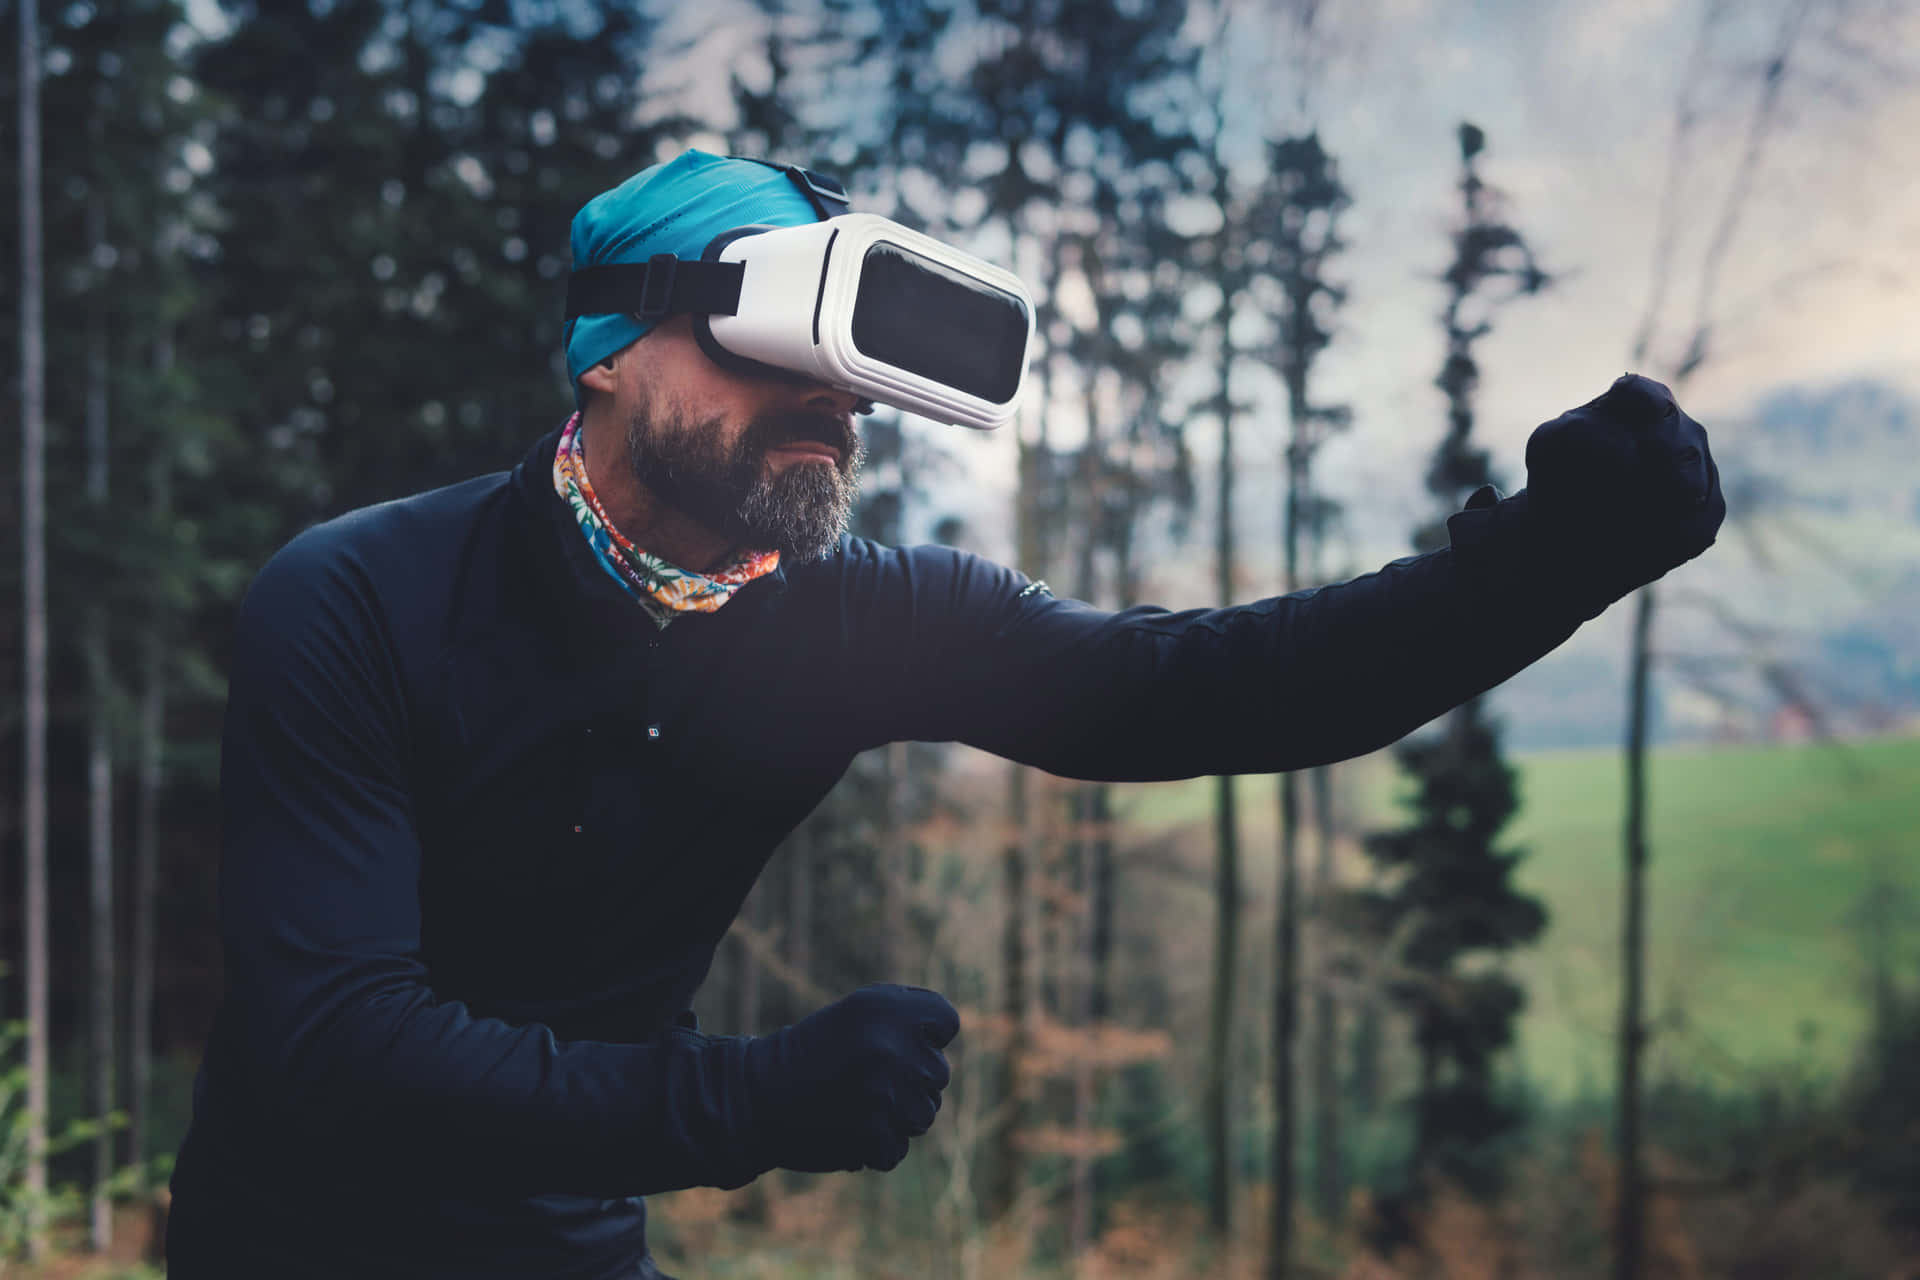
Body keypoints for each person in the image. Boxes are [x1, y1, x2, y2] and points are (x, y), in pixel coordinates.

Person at [165, 150, 1724, 1279]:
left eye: (858, 377)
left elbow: (1201, 688)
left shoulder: (853, 621)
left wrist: (1539, 571)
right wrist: (747, 1098)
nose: (839, 406)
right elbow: (342, 1044)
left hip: (571, 1247)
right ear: (609, 356)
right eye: (778, 345)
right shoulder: (359, 598)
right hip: (295, 1243)